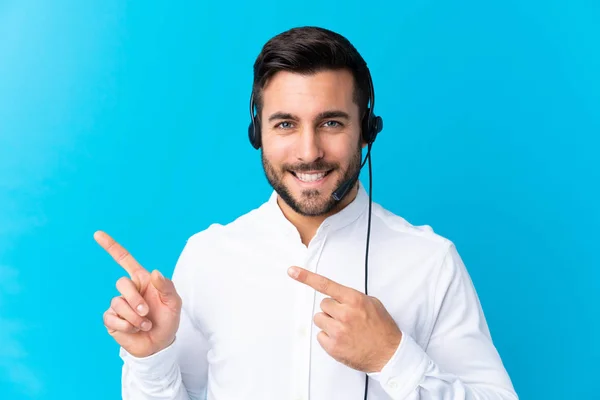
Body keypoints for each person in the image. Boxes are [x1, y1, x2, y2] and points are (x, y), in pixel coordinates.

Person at [96, 26, 518, 400]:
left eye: (331, 123)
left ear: (366, 131)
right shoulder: (208, 255)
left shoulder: (430, 261)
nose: (308, 152)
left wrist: (393, 356)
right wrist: (152, 358)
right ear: (256, 133)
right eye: (285, 124)